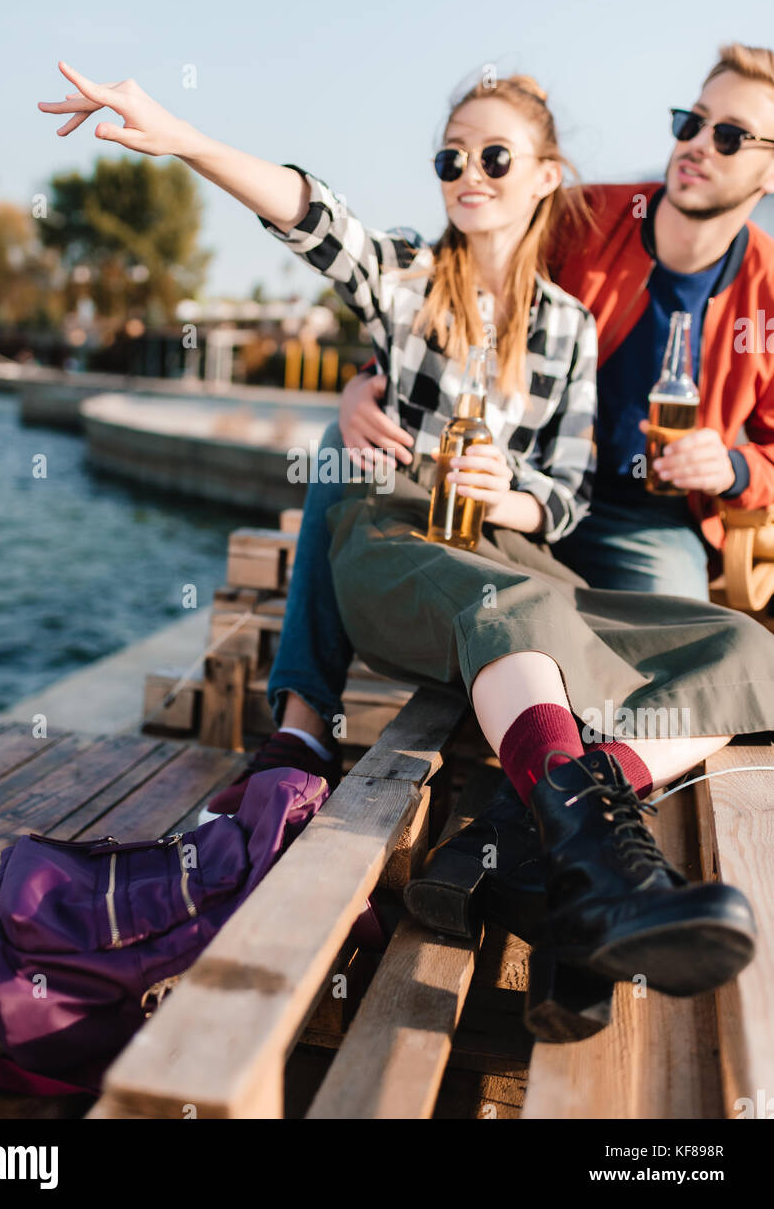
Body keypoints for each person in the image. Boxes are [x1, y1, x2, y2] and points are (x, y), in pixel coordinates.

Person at [38, 62, 770, 1027]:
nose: (468, 172)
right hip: (401, 539)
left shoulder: (569, 325)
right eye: (449, 157)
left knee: (748, 648)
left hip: (513, 555)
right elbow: (314, 216)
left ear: (545, 177)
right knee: (522, 612)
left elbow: (566, 490)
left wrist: (512, 497)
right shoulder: (408, 281)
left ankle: (565, 877)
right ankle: (602, 866)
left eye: (495, 156)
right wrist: (186, 140)